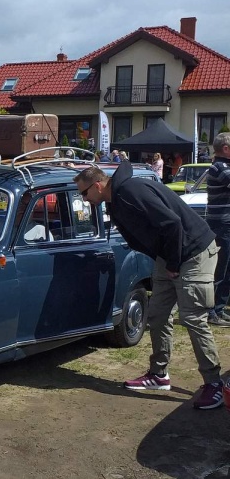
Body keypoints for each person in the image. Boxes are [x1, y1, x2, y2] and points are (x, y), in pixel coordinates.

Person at [74, 163, 225, 409]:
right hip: (170, 255)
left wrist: (174, 263)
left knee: (193, 318)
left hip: (194, 253)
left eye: (84, 193)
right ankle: (158, 374)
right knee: (157, 315)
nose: (84, 198)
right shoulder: (116, 199)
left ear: (98, 185)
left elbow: (172, 223)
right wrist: (166, 260)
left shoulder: (131, 191)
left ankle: (214, 383)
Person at [206, 133, 230, 328]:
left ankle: (219, 308)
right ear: (225, 148)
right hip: (221, 225)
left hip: (226, 223)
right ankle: (211, 311)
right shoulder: (219, 167)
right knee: (220, 268)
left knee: (227, 268)